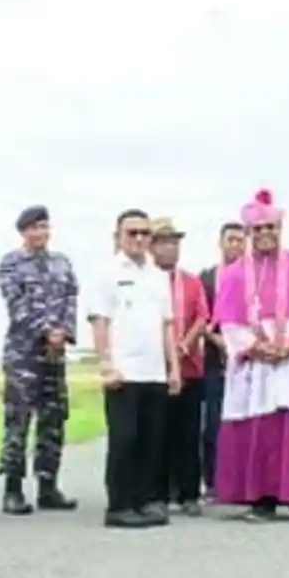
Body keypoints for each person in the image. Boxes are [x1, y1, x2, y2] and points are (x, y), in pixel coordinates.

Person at [211, 189, 289, 524]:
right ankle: (261, 498)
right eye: (257, 230)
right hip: (255, 365)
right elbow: (230, 323)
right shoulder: (234, 274)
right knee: (259, 429)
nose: (265, 235)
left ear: (280, 229)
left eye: (270, 228)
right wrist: (256, 347)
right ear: (249, 234)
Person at [88, 209, 181, 529]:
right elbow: (100, 320)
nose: (139, 239)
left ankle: (144, 501)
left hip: (154, 370)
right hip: (123, 371)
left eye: (145, 233)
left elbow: (168, 325)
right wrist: (106, 365)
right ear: (118, 236)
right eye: (132, 233)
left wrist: (174, 368)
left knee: (151, 440)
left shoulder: (158, 276)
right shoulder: (108, 272)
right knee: (124, 438)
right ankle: (119, 504)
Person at [0, 205, 79, 515]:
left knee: (54, 419)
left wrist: (64, 332)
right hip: (24, 353)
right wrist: (46, 331)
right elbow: (16, 304)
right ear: (23, 232)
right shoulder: (11, 264)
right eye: (33, 228)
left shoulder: (62, 263)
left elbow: (71, 298)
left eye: (43, 227)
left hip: (55, 355)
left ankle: (48, 485)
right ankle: (13, 489)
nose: (39, 233)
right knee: (18, 420)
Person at [149, 218, 209, 517]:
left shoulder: (191, 281)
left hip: (189, 367)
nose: (169, 248)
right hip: (156, 369)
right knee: (159, 432)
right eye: (163, 242)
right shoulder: (146, 281)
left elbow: (202, 316)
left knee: (188, 433)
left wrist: (185, 343)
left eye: (174, 242)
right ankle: (158, 492)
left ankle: (189, 493)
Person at [198, 222, 246, 500]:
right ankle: (213, 482)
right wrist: (221, 342)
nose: (236, 246)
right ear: (221, 243)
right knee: (214, 423)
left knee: (243, 424)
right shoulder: (207, 278)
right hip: (215, 359)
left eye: (241, 241)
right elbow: (200, 319)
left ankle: (242, 482)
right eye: (231, 240)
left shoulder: (254, 278)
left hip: (248, 359)